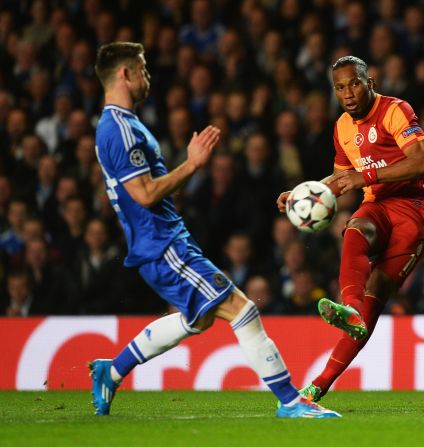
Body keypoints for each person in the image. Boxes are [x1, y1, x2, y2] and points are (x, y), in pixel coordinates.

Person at [90, 42, 339, 418]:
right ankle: (290, 401)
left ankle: (111, 370)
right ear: (124, 74)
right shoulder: (120, 130)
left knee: (200, 318)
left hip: (163, 240)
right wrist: (191, 165)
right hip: (162, 245)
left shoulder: (124, 125)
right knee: (243, 311)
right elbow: (142, 194)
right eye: (142, 68)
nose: (148, 76)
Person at [277, 56, 424, 401]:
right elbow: (340, 180)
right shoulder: (341, 128)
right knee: (354, 228)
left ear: (370, 83)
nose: (347, 93)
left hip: (416, 209)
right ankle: (348, 307)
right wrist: (303, 195)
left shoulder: (395, 110)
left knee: (376, 295)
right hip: (378, 204)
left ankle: (319, 384)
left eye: (354, 83)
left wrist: (366, 176)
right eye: (339, 87)